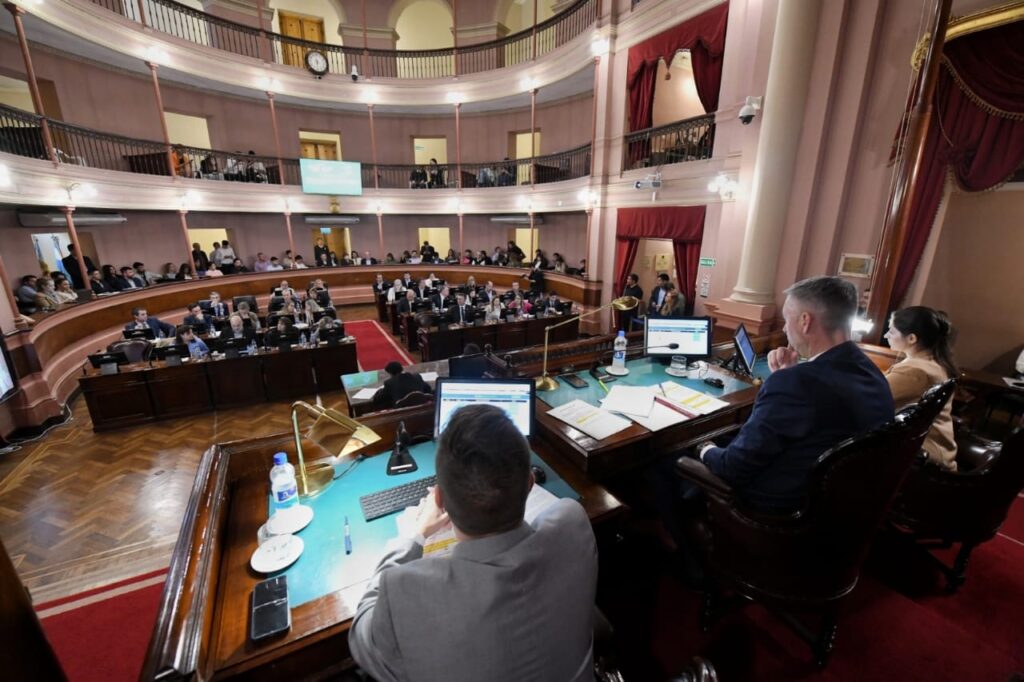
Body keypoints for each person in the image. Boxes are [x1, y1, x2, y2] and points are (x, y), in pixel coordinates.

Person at [349, 404, 598, 682]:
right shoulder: (573, 521)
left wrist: (414, 536)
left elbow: (362, 636)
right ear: (530, 484)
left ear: (439, 500)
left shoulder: (403, 592)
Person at [694, 276, 894, 511]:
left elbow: (732, 467)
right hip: (844, 505)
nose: (784, 328)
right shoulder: (871, 371)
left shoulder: (796, 384)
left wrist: (702, 447)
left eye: (787, 320)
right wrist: (790, 374)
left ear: (805, 321)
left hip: (780, 511)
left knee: (667, 464)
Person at [883, 306, 959, 471]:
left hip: (924, 453)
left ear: (911, 338)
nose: (886, 335)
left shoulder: (916, 371)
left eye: (891, 331)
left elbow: (872, 397)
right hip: (932, 448)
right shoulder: (933, 362)